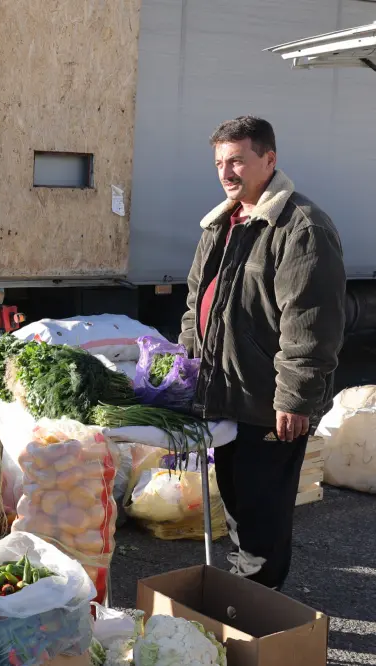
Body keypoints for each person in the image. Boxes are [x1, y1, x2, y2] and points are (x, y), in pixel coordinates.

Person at [179, 116, 346, 591]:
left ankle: (257, 610)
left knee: (261, 517)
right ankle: (245, 602)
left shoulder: (302, 227)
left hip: (266, 404)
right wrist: (186, 364)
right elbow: (196, 302)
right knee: (237, 507)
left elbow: (311, 324)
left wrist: (294, 399)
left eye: (237, 160)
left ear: (269, 159)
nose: (226, 172)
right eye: (219, 162)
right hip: (225, 395)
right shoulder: (224, 222)